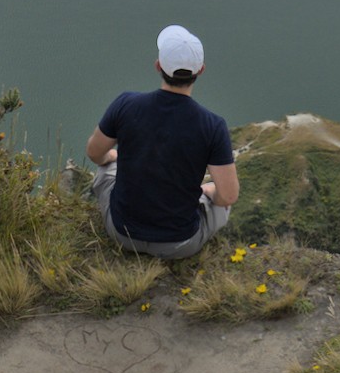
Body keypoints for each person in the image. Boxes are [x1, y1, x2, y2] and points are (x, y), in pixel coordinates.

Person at [84, 23, 238, 258]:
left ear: (158, 66)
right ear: (201, 70)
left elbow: (94, 153)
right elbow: (228, 196)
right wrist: (208, 191)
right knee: (222, 202)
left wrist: (111, 157)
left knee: (107, 166)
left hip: (122, 233)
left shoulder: (126, 104)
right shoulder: (213, 125)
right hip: (180, 244)